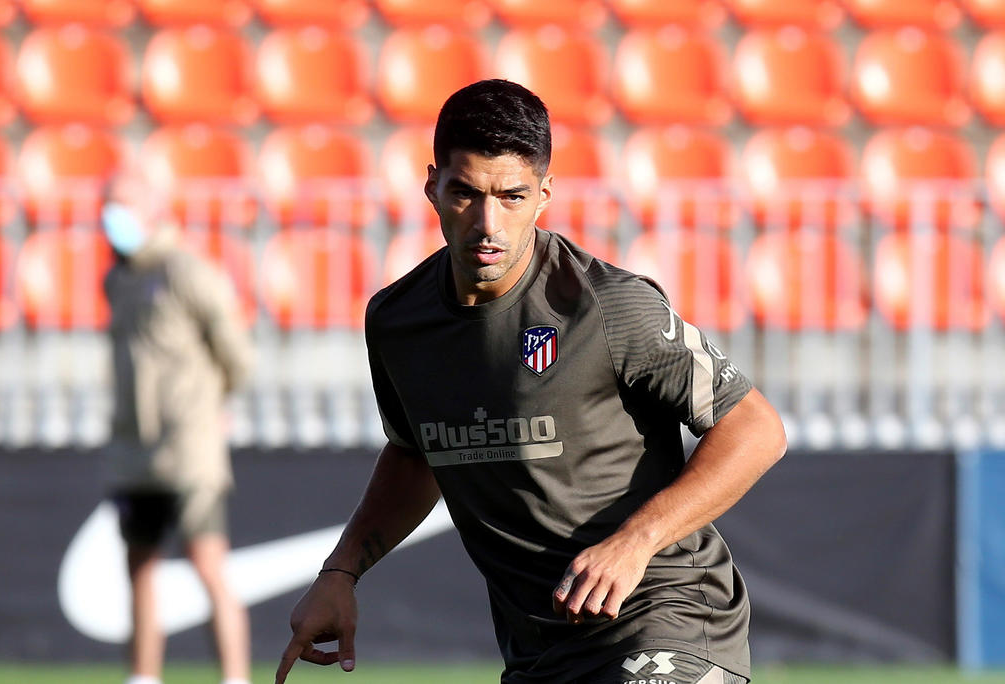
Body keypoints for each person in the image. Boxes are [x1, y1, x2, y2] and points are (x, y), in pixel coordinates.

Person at [276, 79, 787, 684]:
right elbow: (415, 455)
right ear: (433, 187)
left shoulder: (608, 306)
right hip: (538, 649)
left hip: (664, 619)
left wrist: (636, 541)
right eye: (465, 193)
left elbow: (757, 428)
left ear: (544, 195)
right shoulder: (397, 320)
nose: (487, 223)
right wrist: (340, 573)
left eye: (512, 196)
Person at [101, 175, 254, 684]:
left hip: (188, 449)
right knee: (139, 566)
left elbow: (236, 354)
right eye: (108, 205)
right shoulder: (117, 279)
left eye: (123, 204)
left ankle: (235, 677)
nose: (111, 215)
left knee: (207, 561)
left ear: (152, 209)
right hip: (133, 450)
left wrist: (211, 406)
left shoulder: (188, 272)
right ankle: (143, 677)